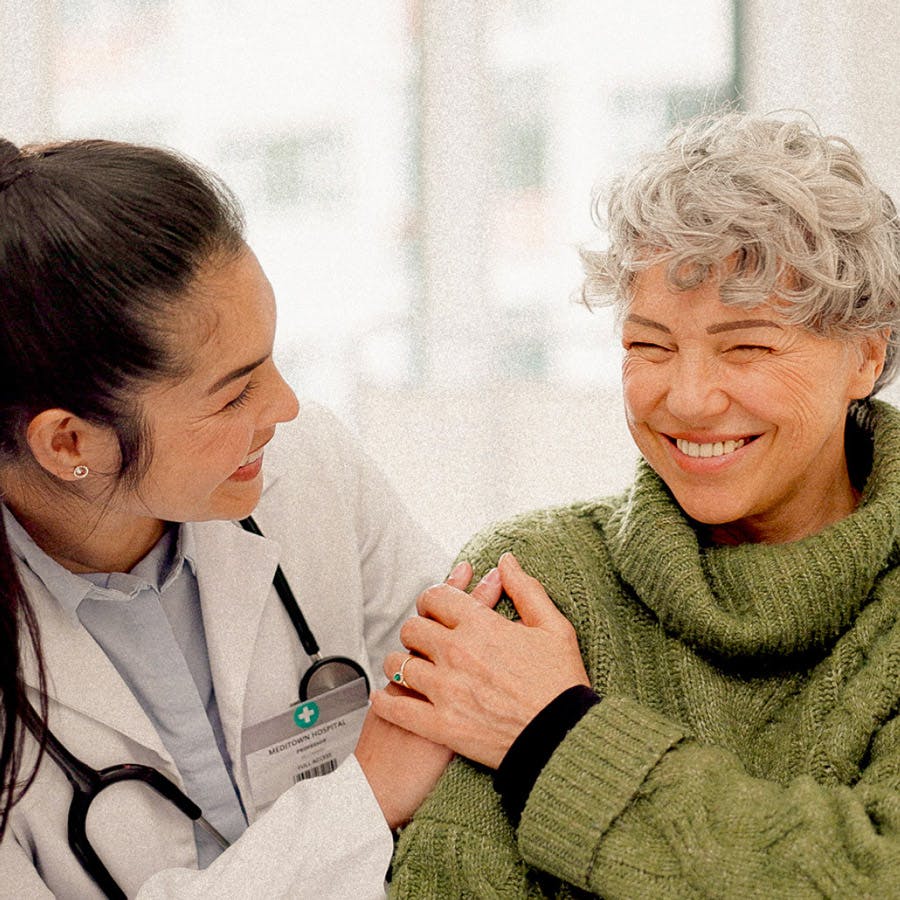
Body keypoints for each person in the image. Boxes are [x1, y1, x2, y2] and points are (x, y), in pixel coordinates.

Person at [372, 112, 900, 896]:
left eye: (746, 346)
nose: (686, 399)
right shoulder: (534, 579)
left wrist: (555, 739)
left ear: (866, 355)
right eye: (647, 346)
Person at [0, 137, 495, 898]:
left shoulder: (309, 471)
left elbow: (463, 705)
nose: (286, 407)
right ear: (70, 442)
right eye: (233, 394)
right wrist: (361, 801)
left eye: (270, 360)